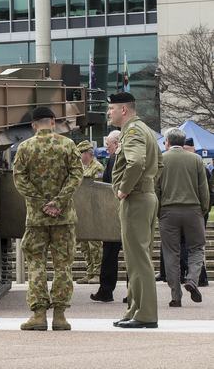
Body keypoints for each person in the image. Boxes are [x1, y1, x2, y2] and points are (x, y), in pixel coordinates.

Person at [13, 106, 82, 331]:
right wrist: (58, 202)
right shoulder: (68, 145)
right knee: (63, 265)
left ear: (33, 125)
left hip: (36, 218)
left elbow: (19, 179)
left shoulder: (25, 148)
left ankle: (39, 315)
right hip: (64, 217)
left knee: (36, 264)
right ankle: (60, 316)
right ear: (53, 121)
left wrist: (41, 203)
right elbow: (76, 175)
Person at [108, 91, 161, 329]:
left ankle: (145, 314)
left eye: (111, 109)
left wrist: (125, 189)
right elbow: (158, 163)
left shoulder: (133, 131)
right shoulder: (145, 130)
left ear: (124, 110)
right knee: (137, 258)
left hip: (136, 199)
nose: (109, 112)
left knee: (138, 259)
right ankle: (135, 309)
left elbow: (137, 162)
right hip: (144, 196)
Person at [158, 128, 209, 307]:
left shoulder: (161, 160)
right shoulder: (196, 159)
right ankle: (192, 279)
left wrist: (159, 211)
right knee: (196, 248)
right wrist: (203, 210)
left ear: (167, 142)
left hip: (168, 211)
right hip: (193, 209)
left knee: (171, 253)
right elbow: (203, 188)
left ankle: (175, 296)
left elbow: (156, 188)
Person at [91, 130, 124, 303]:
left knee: (110, 253)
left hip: (114, 213)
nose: (107, 148)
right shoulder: (129, 158)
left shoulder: (113, 160)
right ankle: (133, 292)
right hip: (129, 212)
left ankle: (106, 290)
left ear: (117, 143)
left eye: (109, 145)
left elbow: (107, 186)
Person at [75, 140, 103, 285]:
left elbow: (98, 190)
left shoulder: (97, 168)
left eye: (81, 154)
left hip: (94, 211)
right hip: (82, 211)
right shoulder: (81, 168)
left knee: (95, 244)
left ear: (88, 153)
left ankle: (97, 273)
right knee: (84, 244)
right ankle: (89, 271)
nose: (79, 157)